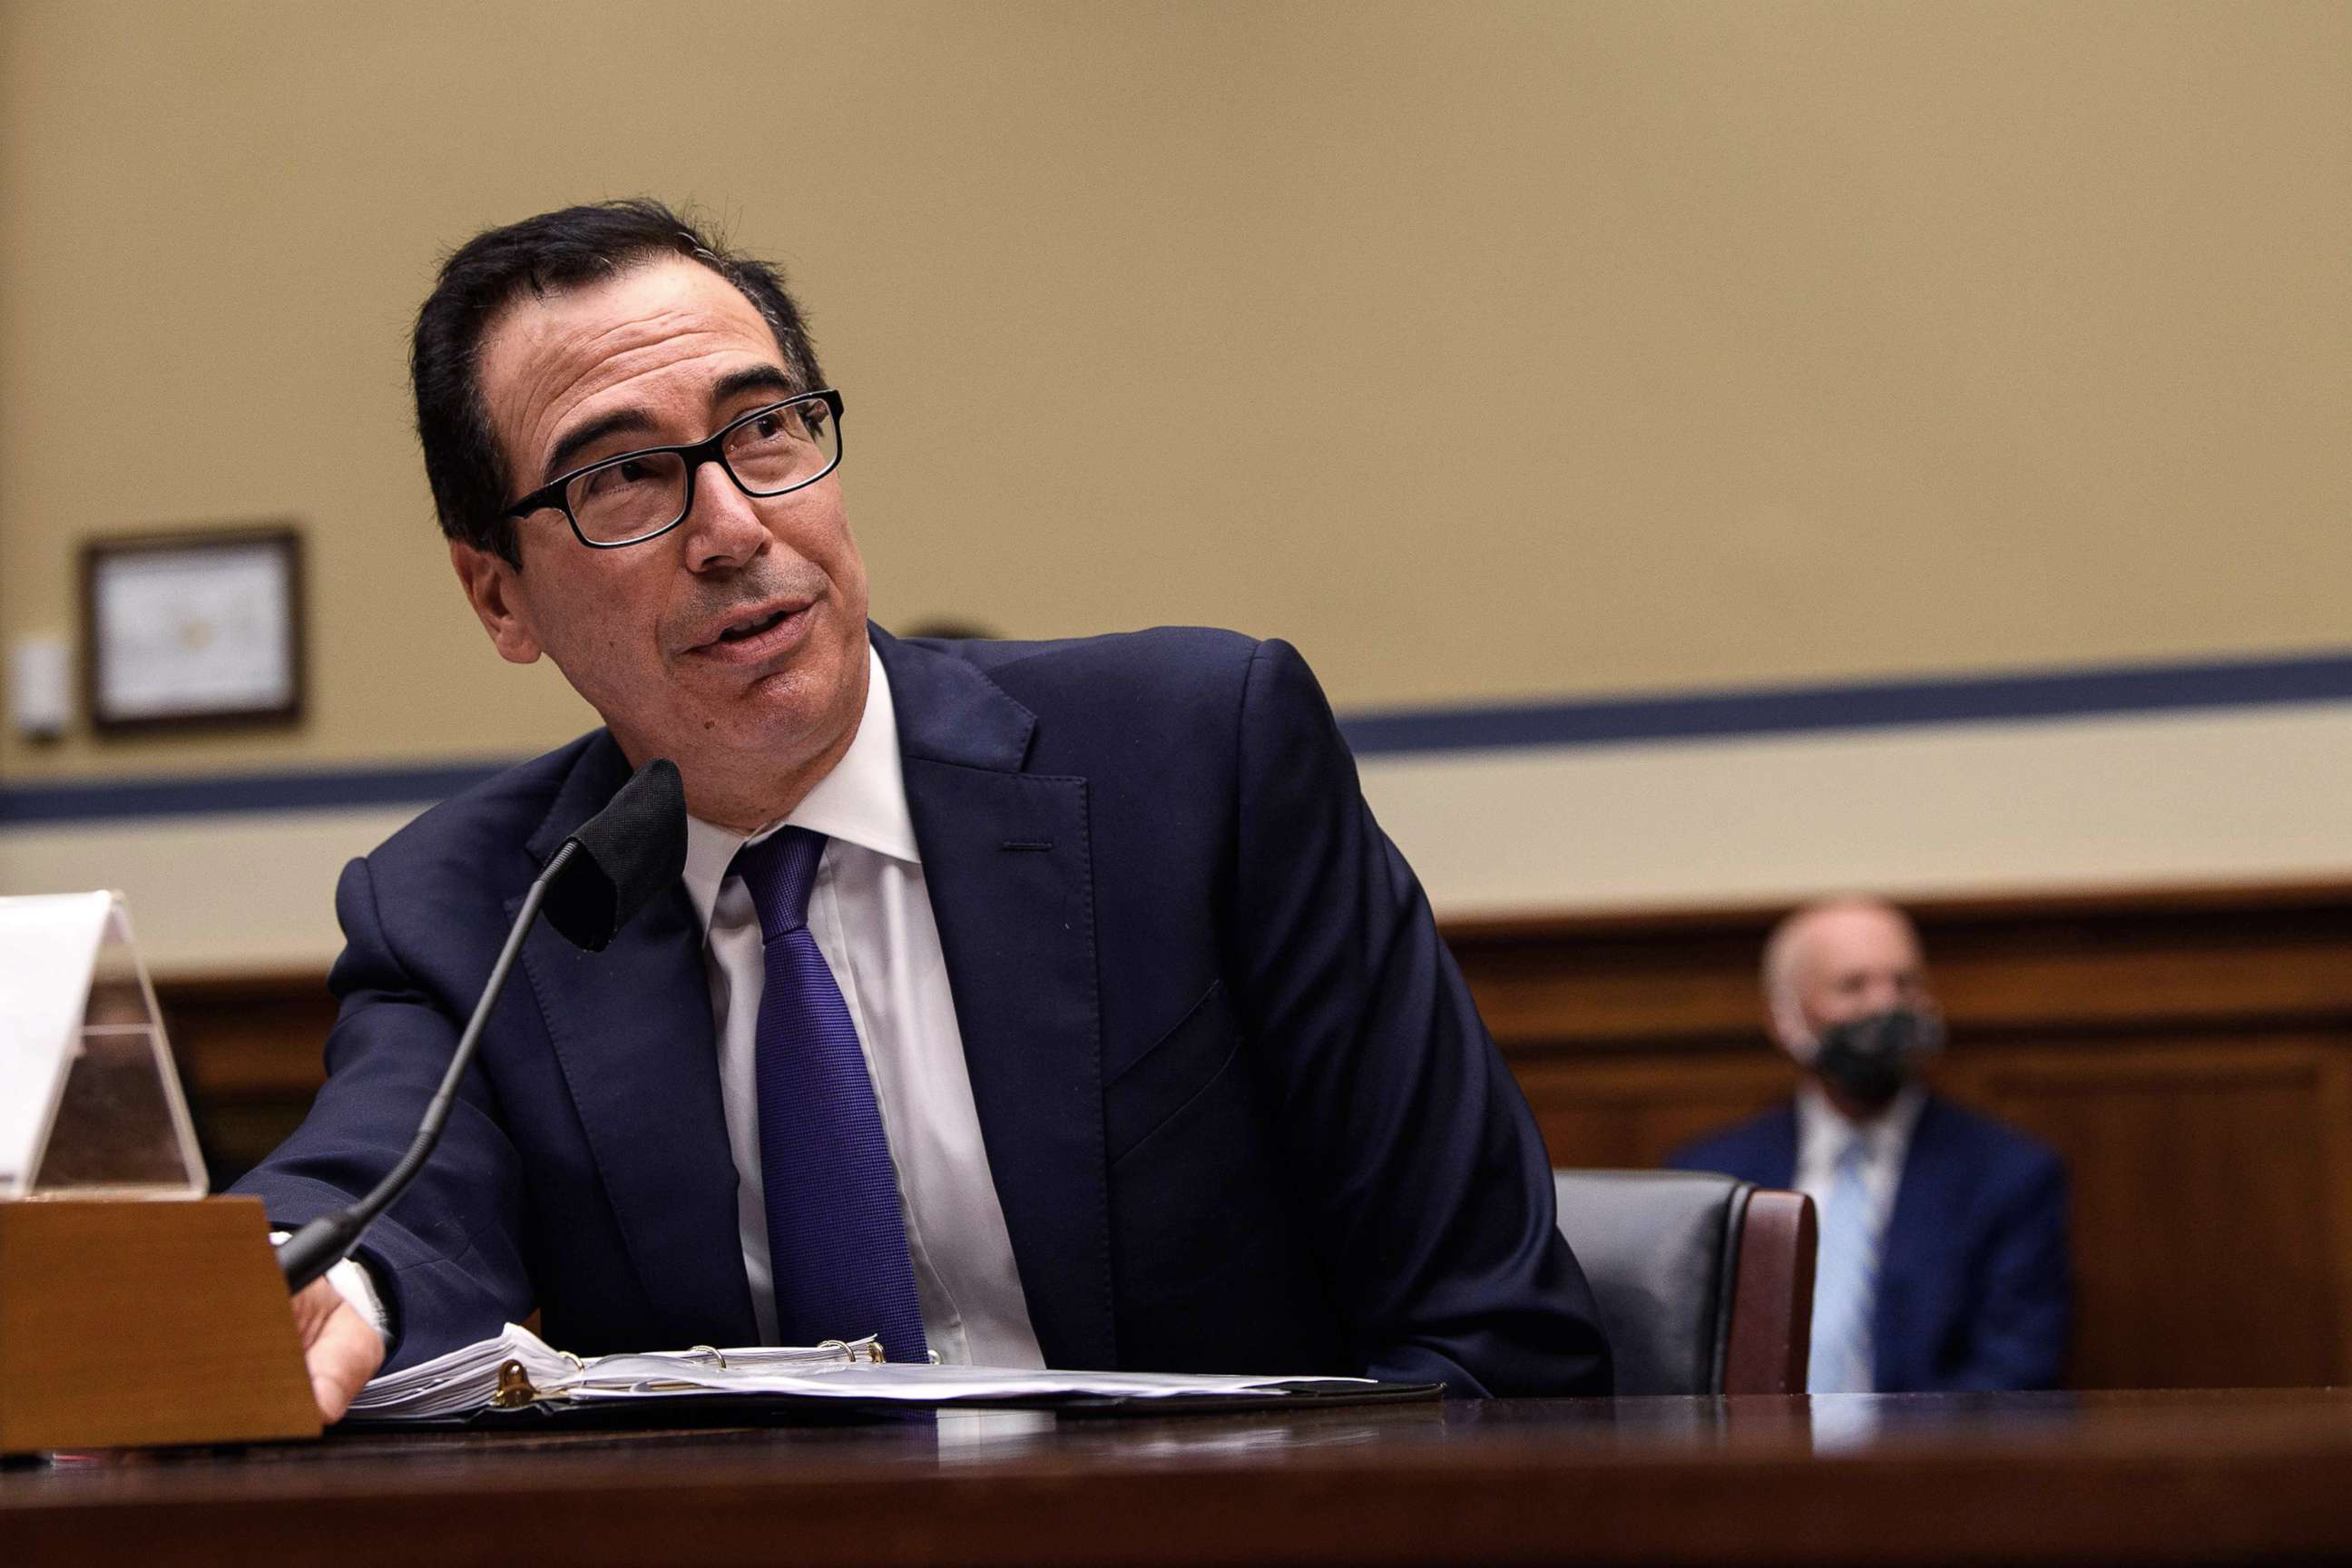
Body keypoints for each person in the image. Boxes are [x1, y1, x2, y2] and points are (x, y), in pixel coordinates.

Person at [234, 200, 1610, 1418]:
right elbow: (376, 1192)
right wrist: (318, 1291)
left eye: (764, 430)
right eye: (622, 478)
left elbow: (1492, 1337)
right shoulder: (472, 905)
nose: (732, 528)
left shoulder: (1198, 763)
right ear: (500, 597)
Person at [1668, 897, 2069, 1393]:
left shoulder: (2008, 1175)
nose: (1884, 1007)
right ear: (1783, 1017)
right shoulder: (1709, 1177)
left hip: (1931, 1463)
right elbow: (1680, 1372)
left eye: (1904, 984)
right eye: (1852, 986)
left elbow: (2014, 1372)